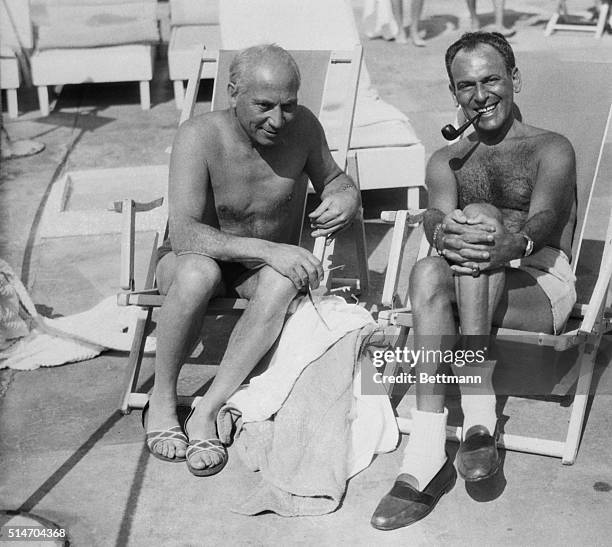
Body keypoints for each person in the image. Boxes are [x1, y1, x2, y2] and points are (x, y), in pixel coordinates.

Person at [370, 31, 577, 530]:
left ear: (515, 80)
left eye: (491, 80)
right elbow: (437, 220)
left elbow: (548, 216)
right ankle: (434, 445)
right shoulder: (447, 159)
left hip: (539, 280)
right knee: (425, 268)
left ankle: (464, 415)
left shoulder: (551, 147)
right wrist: (443, 231)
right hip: (471, 283)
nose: (481, 96)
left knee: (480, 215)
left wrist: (516, 241)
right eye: (466, 86)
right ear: (454, 94)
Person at [145, 44, 361, 476]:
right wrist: (270, 250)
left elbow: (335, 178)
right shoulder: (198, 135)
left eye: (289, 107)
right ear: (232, 92)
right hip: (191, 259)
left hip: (256, 272)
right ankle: (161, 401)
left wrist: (345, 196)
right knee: (196, 273)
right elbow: (186, 232)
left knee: (283, 281)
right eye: (264, 106)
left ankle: (208, 408)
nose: (277, 121)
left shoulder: (303, 130)